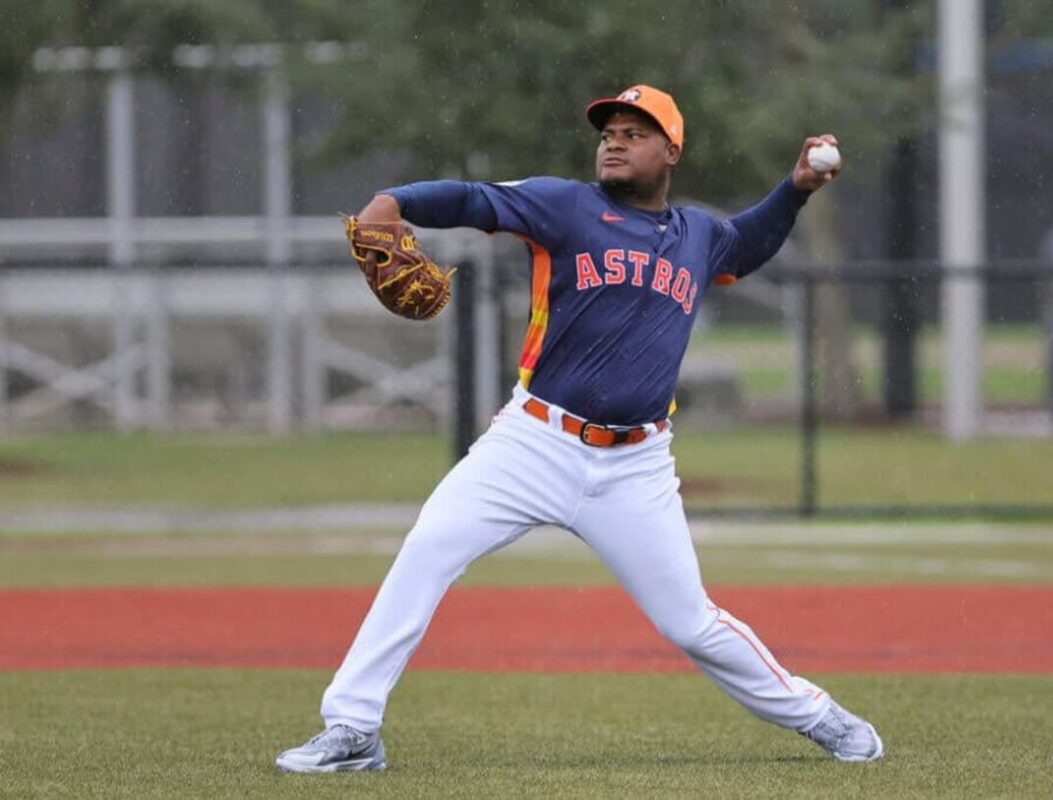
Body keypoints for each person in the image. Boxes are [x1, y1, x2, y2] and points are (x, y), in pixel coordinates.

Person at [276, 84, 883, 773]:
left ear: (671, 151)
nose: (615, 140)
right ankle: (353, 727)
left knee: (689, 622)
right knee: (429, 548)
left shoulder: (699, 237)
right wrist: (397, 202)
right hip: (533, 441)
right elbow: (475, 200)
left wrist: (797, 188)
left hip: (636, 468)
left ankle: (821, 717)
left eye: (635, 131)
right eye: (609, 131)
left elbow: (749, 242)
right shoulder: (564, 206)